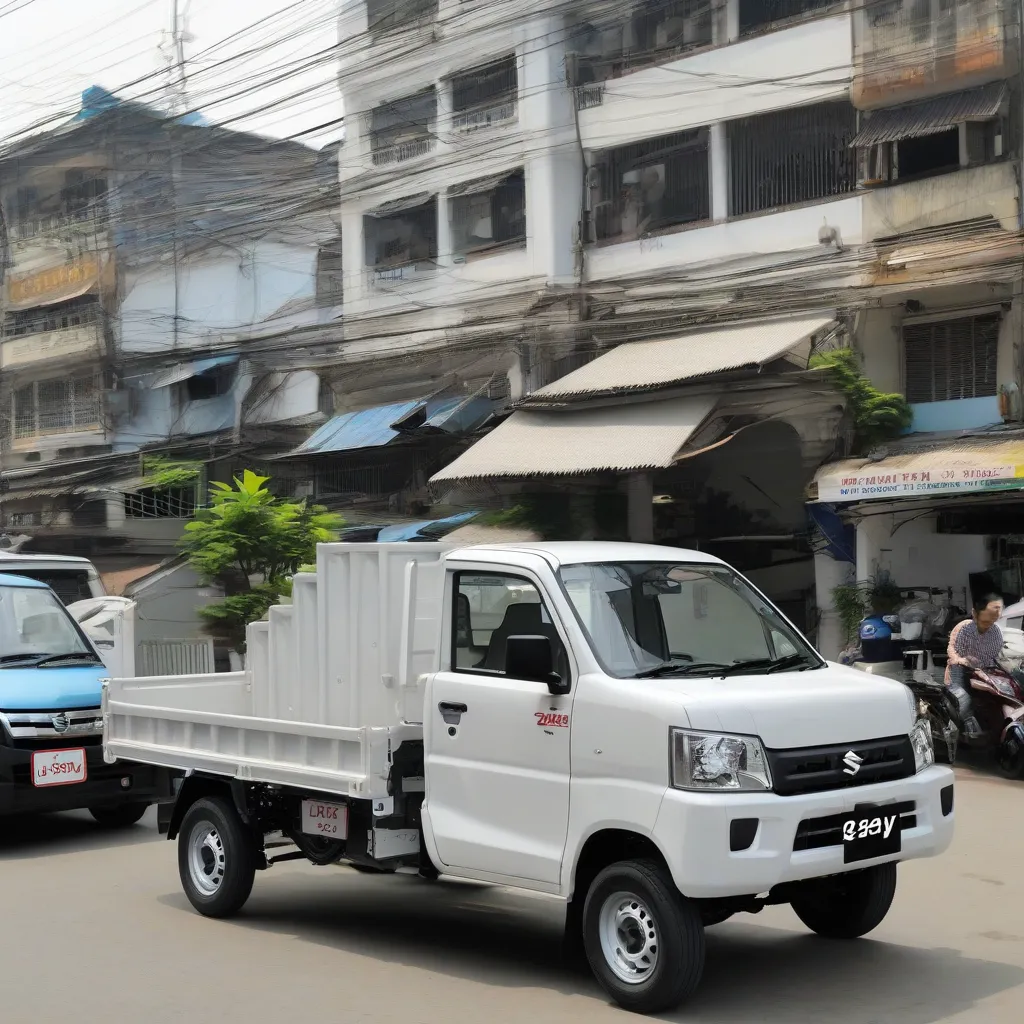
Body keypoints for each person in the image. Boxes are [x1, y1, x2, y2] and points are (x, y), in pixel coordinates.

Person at [945, 593, 1005, 737]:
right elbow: (951, 649)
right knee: (962, 699)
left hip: (982, 672)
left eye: (990, 623)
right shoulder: (963, 628)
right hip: (959, 669)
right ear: (975, 615)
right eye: (984, 622)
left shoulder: (996, 633)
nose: (987, 626)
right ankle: (968, 730)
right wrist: (961, 660)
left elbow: (994, 656)